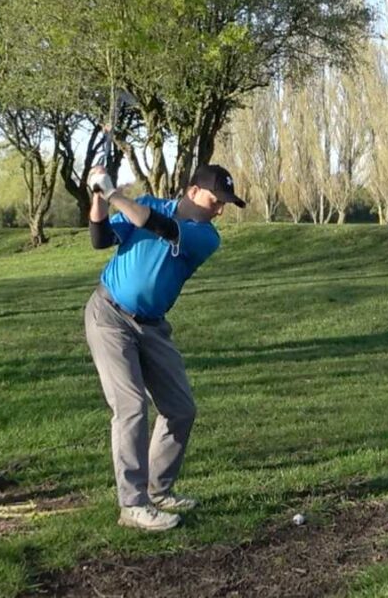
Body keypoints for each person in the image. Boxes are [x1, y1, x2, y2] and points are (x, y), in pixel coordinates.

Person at [83, 162, 245, 531]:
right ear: (191, 192)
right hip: (109, 316)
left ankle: (159, 490)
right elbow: (100, 238)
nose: (219, 210)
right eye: (215, 200)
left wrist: (112, 192)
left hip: (153, 326)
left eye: (224, 204)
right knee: (131, 407)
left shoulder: (206, 237)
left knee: (181, 409)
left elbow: (154, 224)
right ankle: (133, 504)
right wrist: (98, 196)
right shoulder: (147, 203)